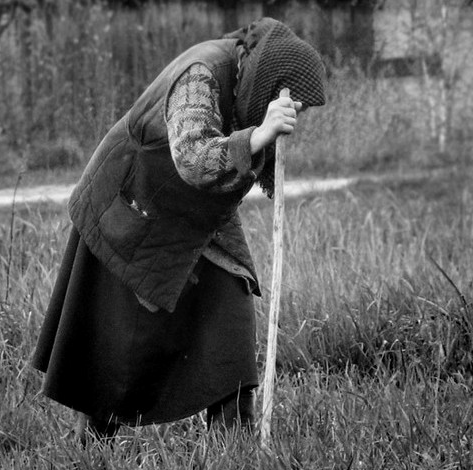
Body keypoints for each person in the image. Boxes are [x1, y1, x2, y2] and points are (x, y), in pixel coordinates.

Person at [31, 18, 327, 440]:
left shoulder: (243, 82)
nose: (296, 114)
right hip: (132, 203)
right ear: (268, 84)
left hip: (195, 208)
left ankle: (234, 449)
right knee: (119, 340)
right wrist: (259, 134)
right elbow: (192, 156)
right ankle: (91, 456)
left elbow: (231, 159)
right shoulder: (201, 73)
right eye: (294, 103)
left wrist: (264, 141)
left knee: (232, 299)